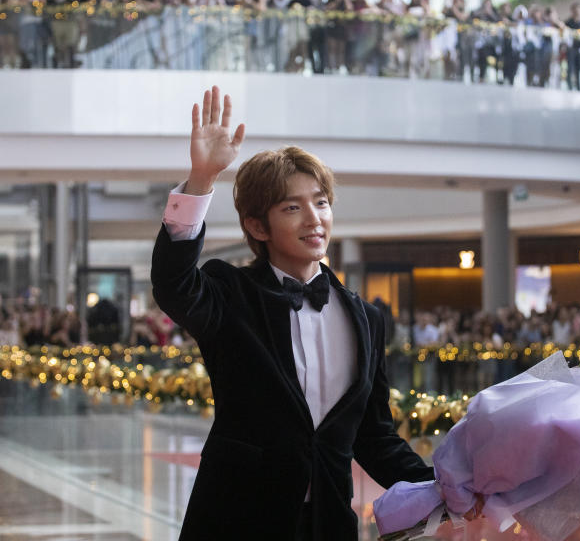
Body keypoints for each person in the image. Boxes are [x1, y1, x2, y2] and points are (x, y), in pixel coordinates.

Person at [150, 87, 437, 540]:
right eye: (292, 207)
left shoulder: (365, 317)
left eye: (321, 202)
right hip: (235, 521)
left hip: (329, 524)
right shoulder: (231, 293)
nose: (314, 218)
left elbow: (374, 436)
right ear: (257, 226)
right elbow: (174, 285)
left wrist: (446, 488)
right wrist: (202, 179)